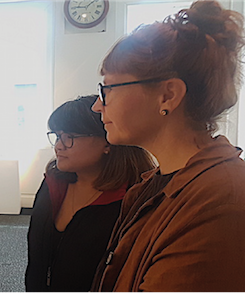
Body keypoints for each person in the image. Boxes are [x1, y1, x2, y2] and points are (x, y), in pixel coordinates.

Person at [89, 0, 245, 291]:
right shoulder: (154, 185)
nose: (98, 105)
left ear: (168, 95)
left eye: (108, 88)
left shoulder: (218, 201)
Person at [24, 95, 154, 292]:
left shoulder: (131, 200)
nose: (59, 145)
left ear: (107, 142)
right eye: (58, 136)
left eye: (70, 137)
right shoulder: (52, 183)